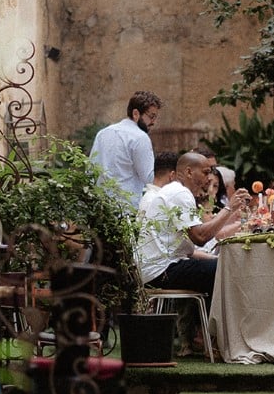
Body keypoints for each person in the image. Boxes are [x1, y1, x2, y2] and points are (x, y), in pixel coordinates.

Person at [135, 151, 249, 296]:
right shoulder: (180, 193)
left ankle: (207, 318)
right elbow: (200, 237)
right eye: (205, 172)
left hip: (159, 269)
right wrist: (229, 208)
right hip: (161, 271)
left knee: (222, 266)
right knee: (227, 269)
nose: (208, 179)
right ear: (189, 172)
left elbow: (191, 248)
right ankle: (221, 318)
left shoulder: (177, 191)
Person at [89, 91, 161, 205]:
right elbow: (149, 178)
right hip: (126, 209)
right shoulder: (140, 137)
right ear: (136, 114)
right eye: (151, 117)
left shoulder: (103, 133)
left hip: (100, 206)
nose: (154, 122)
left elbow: (91, 171)